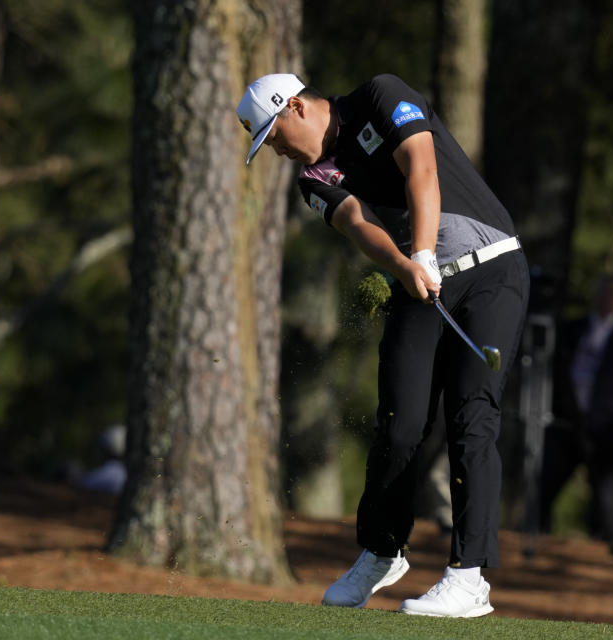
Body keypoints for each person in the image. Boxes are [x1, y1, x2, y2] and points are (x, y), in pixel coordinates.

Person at [237, 73, 529, 617]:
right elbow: (356, 221)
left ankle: (469, 576)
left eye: (274, 135)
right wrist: (403, 264)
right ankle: (381, 550)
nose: (276, 149)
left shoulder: (380, 97)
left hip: (491, 271)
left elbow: (422, 167)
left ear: (296, 106)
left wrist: (421, 251)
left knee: (471, 418)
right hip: (417, 281)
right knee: (398, 423)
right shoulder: (312, 176)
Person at [541, 274, 613, 555]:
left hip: (606, 427)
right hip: (566, 422)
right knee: (546, 483)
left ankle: (608, 545)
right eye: (603, 293)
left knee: (606, 491)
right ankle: (536, 536)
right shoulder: (571, 329)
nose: (607, 299)